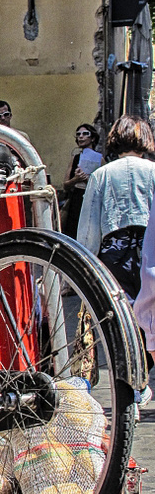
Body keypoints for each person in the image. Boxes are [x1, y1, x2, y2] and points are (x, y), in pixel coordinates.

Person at [78, 116, 155, 397]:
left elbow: (89, 226)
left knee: (121, 318)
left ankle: (130, 383)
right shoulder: (154, 171)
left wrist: (84, 263)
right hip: (149, 248)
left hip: (114, 250)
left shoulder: (102, 174)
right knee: (150, 317)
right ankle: (143, 381)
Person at [61, 123, 102, 239]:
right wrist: (76, 179)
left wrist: (89, 179)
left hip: (91, 200)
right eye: (78, 134)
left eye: (85, 134)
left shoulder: (100, 159)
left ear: (92, 138)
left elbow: (104, 185)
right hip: (76, 200)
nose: (81, 137)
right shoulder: (75, 158)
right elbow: (65, 185)